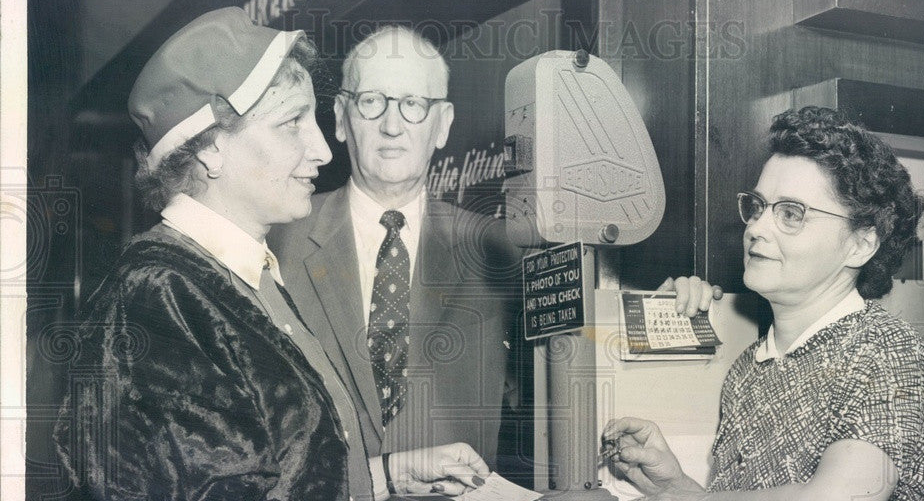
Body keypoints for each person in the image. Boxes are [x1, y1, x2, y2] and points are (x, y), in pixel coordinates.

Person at [52, 7, 570, 501]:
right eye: (292, 124)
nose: (322, 149)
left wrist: (386, 475)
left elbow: (255, 481)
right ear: (210, 151)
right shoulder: (157, 296)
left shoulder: (238, 279)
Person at [271, 25, 719, 472]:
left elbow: (586, 334)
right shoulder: (274, 237)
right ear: (340, 117)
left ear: (442, 124)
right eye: (372, 102)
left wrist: (669, 306)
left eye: (414, 105)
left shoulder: (500, 248)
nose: (392, 126)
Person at [603, 107, 924, 501]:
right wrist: (677, 485)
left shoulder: (885, 354)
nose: (757, 228)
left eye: (791, 214)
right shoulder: (749, 367)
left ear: (861, 243)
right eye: (760, 207)